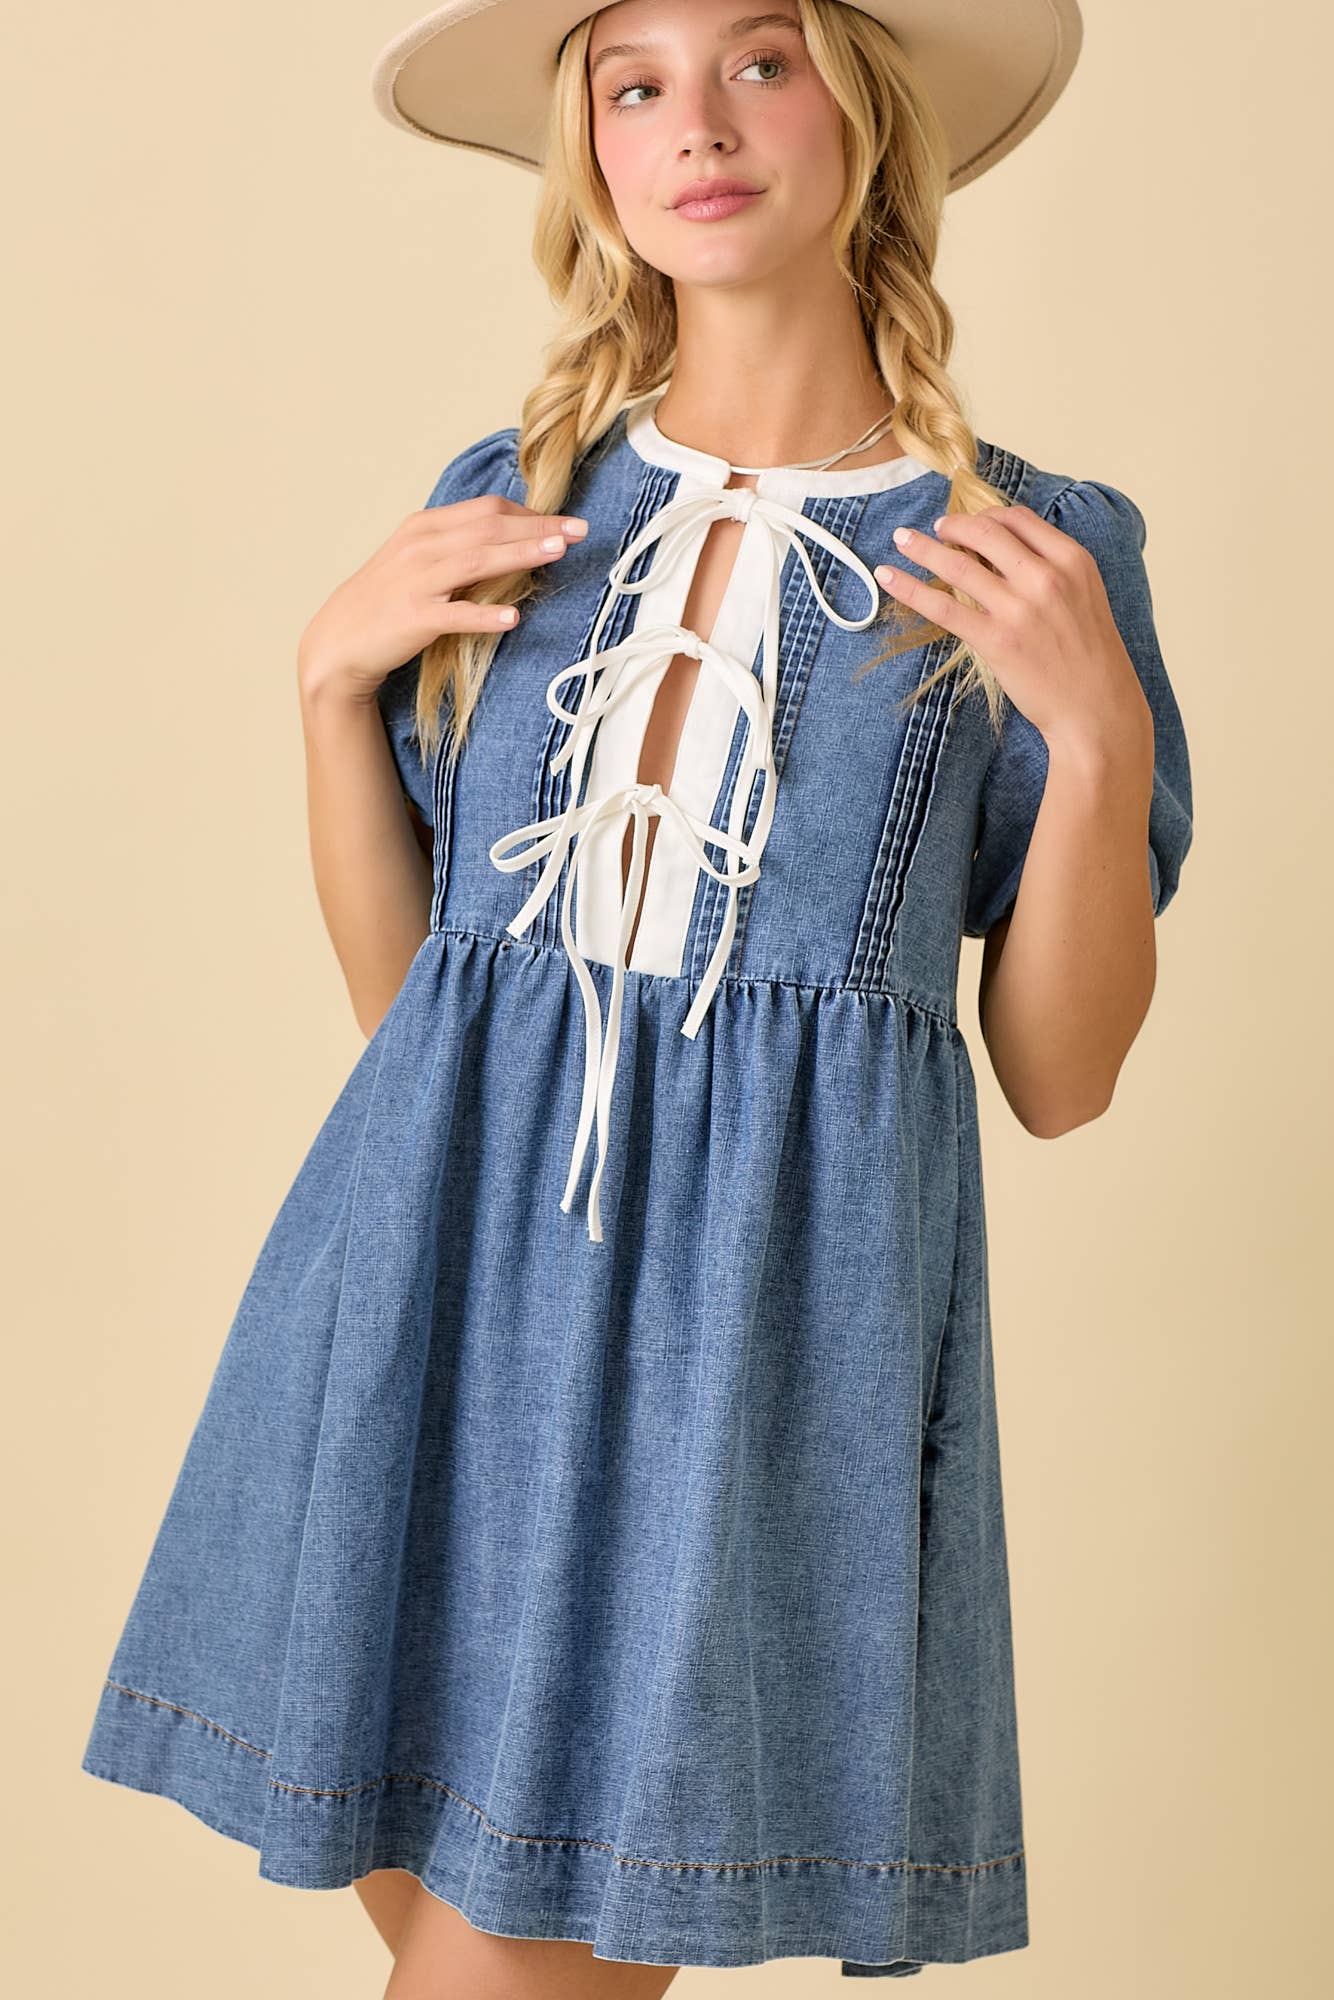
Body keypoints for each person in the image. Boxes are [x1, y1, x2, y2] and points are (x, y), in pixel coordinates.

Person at [80, 3, 1193, 1994]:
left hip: (747, 1351)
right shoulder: (512, 493)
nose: (698, 125)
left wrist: (1095, 744)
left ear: (866, 111)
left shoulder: (1028, 554)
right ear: (589, 146)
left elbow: (1059, 1074)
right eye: (635, 82)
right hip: (422, 1297)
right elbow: (415, 1012)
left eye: (762, 61)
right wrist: (328, 691)